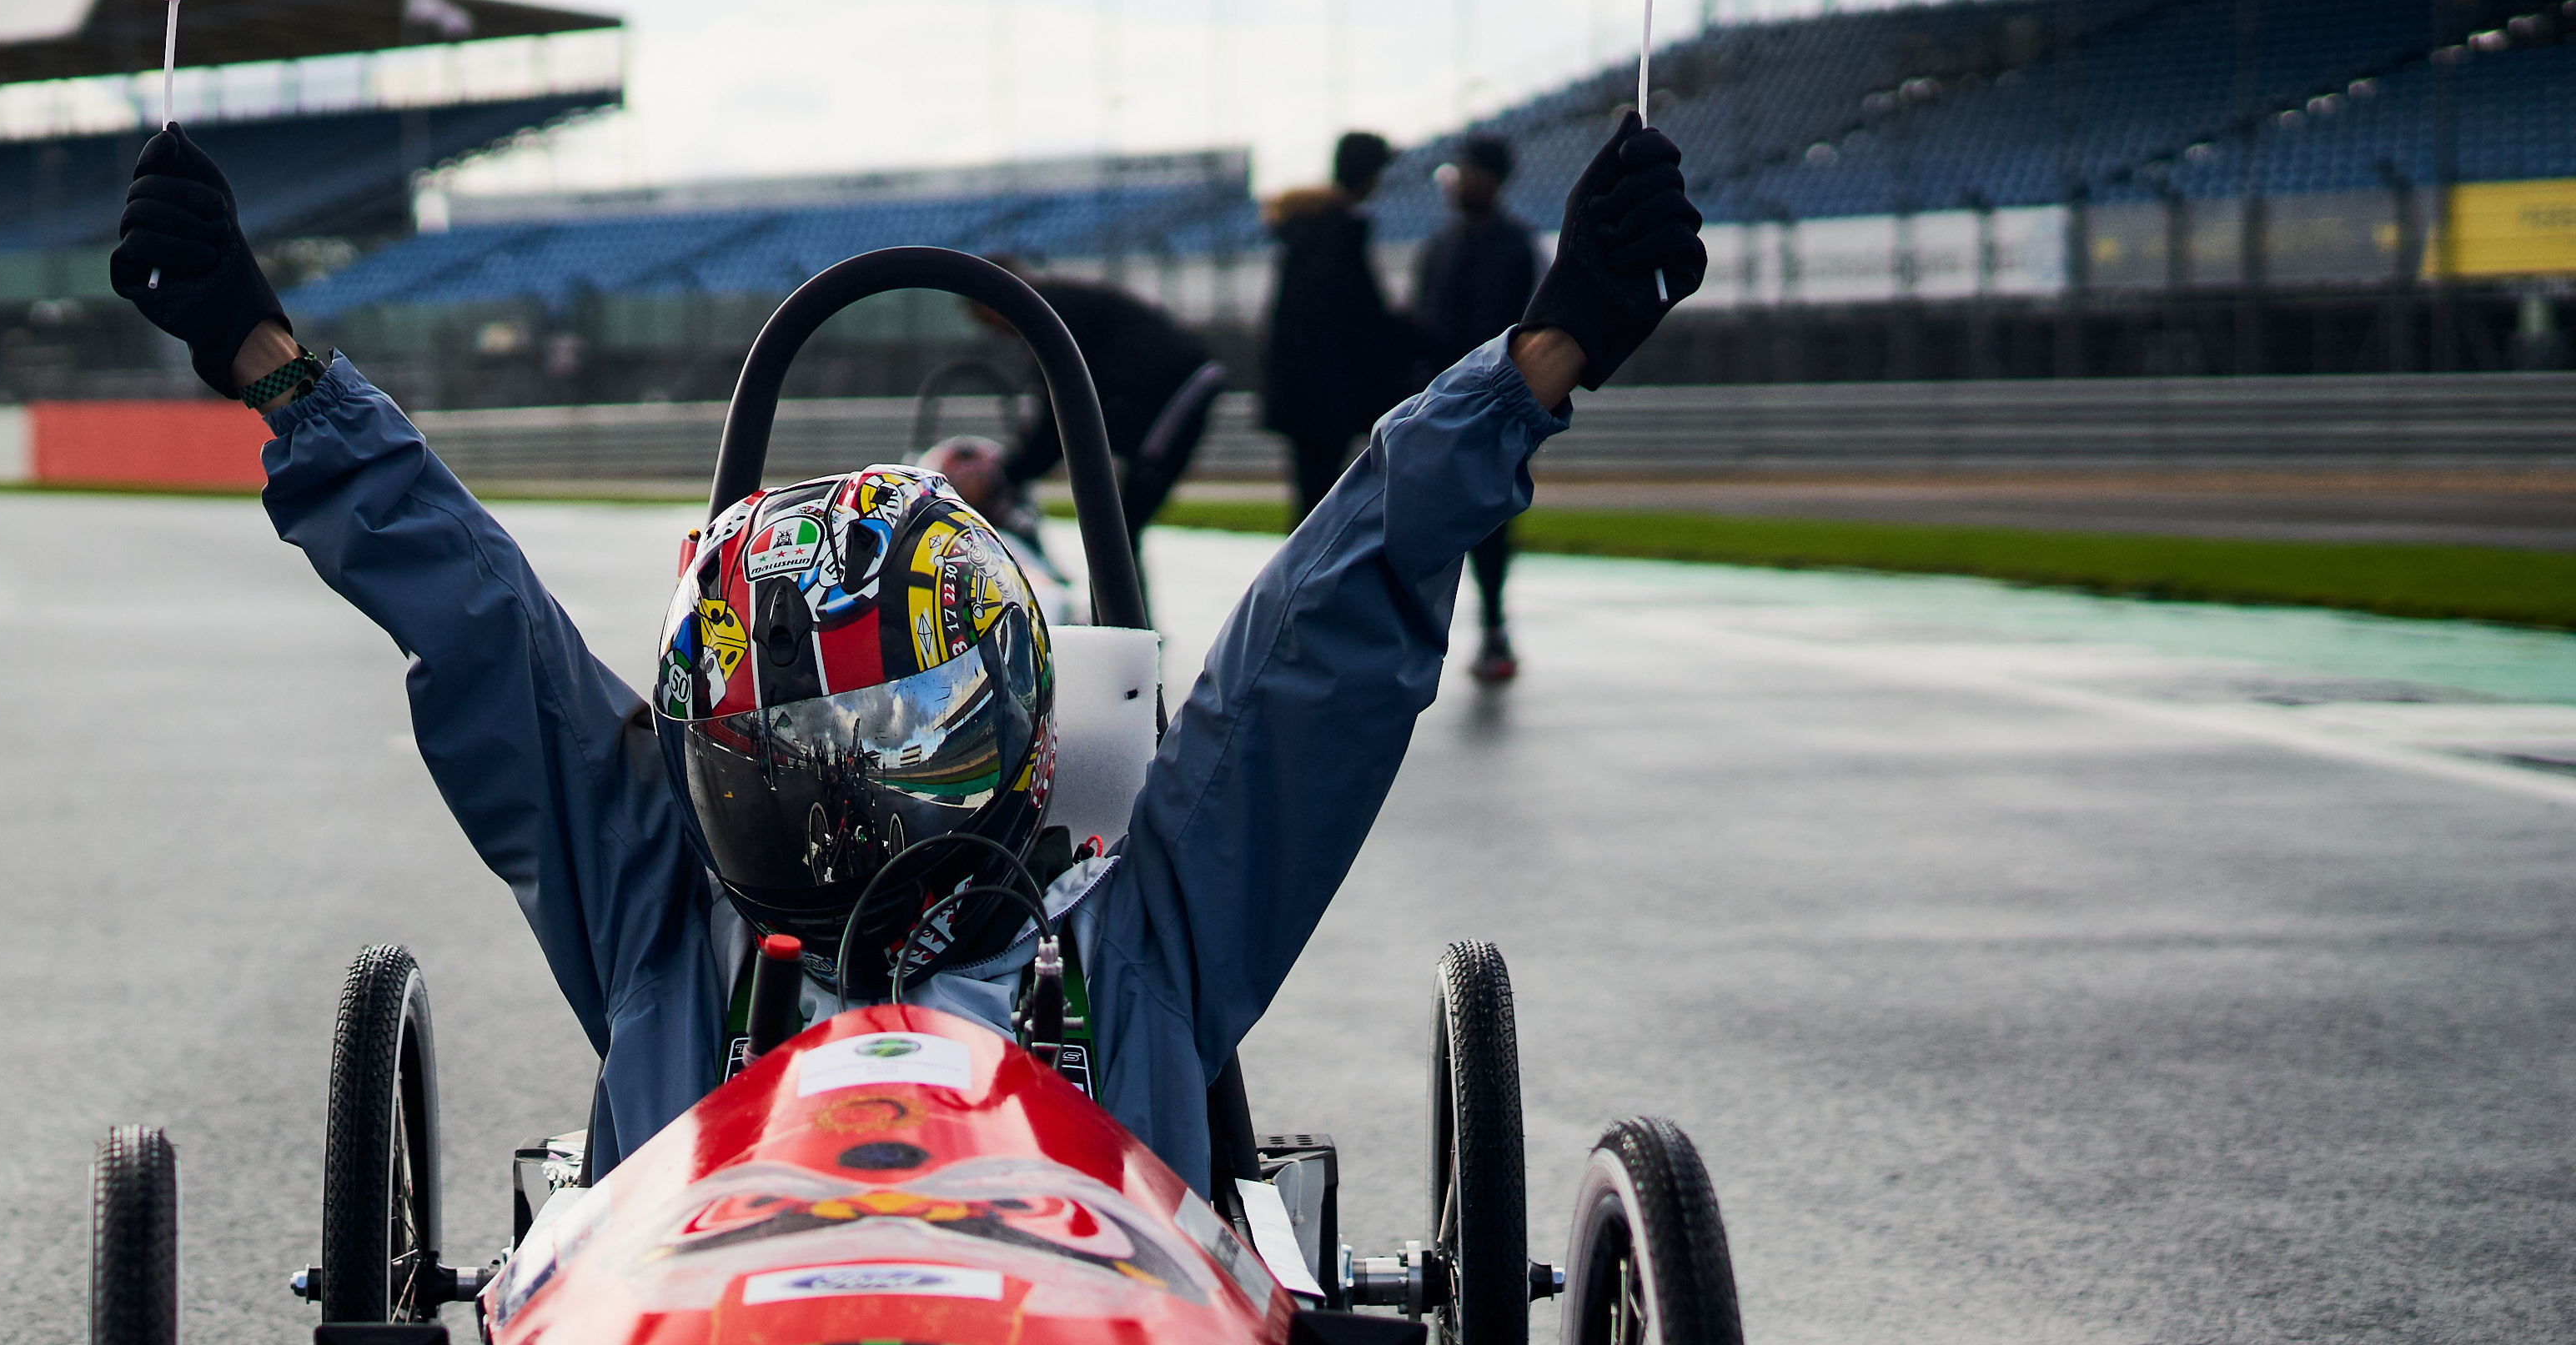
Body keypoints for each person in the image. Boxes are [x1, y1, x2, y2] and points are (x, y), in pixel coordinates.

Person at [110, 111, 1705, 1189]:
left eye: (904, 743)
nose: (843, 821)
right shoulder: (667, 903)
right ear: (701, 761)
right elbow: (476, 621)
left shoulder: (1129, 903)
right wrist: (271, 364)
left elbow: (1324, 625)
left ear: (1022, 729)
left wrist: (1538, 360)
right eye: (792, 764)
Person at [968, 267, 1227, 540]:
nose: (996, 331)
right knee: (1118, 528)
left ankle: (1118, 581)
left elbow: (1060, 419)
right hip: (1160, 387)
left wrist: (1003, 476)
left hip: (1178, 385)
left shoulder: (1048, 315)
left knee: (1122, 526)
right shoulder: (1055, 305)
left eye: (987, 320)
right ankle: (1117, 578)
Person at [1415, 137, 1544, 684]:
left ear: (1492, 178)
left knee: (1490, 522)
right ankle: (1422, 634)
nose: (1456, 182)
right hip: (1444, 401)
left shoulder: (1515, 245)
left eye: (1467, 172)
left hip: (1496, 403)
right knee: (1429, 520)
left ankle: (1493, 626)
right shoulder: (1439, 246)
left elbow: (1530, 327)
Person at [1258, 129, 1415, 529]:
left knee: (1313, 503)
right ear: (1368, 174)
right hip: (1326, 395)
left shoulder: (1307, 233)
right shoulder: (1338, 235)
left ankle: (1302, 587)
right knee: (1320, 509)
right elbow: (1362, 319)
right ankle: (1306, 590)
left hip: (1305, 394)